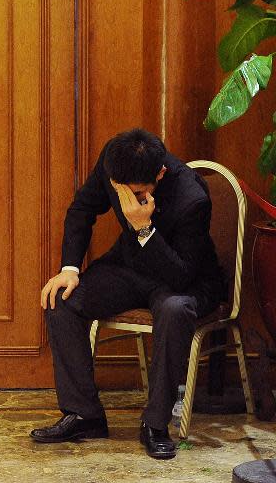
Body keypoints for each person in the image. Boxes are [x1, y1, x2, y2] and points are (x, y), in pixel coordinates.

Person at [31, 128, 225, 459]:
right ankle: (84, 415)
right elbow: (81, 209)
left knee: (174, 309)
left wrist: (144, 229)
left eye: (135, 193)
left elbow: (180, 275)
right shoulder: (114, 164)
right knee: (60, 300)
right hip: (130, 268)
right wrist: (69, 270)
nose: (125, 197)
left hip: (184, 280)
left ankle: (155, 424)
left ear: (160, 175)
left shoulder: (192, 197)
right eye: (120, 189)